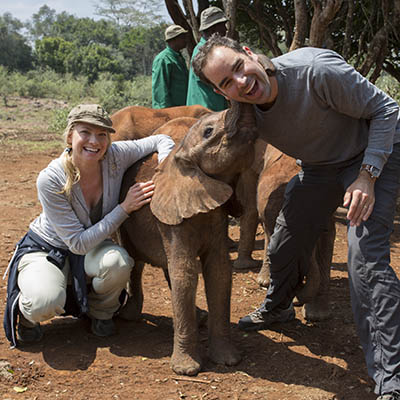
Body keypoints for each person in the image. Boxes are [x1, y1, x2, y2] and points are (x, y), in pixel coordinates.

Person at [192, 34, 400, 400]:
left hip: (372, 157)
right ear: (221, 92)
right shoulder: (245, 112)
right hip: (320, 168)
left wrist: (368, 174)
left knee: (365, 259)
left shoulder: (314, 72)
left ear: (248, 52)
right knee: (283, 242)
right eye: (226, 82)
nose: (241, 82)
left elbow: (387, 110)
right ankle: (279, 306)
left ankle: (390, 379)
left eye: (239, 68)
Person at [3, 104, 175, 347]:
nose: (94, 141)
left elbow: (162, 139)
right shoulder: (51, 178)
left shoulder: (115, 156)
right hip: (50, 247)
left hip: (93, 244)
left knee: (118, 263)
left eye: (102, 134)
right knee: (44, 301)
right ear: (70, 134)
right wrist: (125, 208)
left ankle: (100, 313)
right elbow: (78, 243)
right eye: (85, 132)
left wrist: (165, 170)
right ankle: (27, 314)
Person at [186, 6, 228, 111]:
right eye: (222, 25)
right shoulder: (205, 53)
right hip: (207, 112)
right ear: (213, 29)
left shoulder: (204, 49)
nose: (226, 29)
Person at [152, 24, 189, 109]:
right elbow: (160, 89)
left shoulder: (179, 57)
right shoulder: (163, 59)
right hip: (170, 112)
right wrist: (164, 113)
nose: (185, 40)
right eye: (182, 37)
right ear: (174, 40)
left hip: (182, 108)